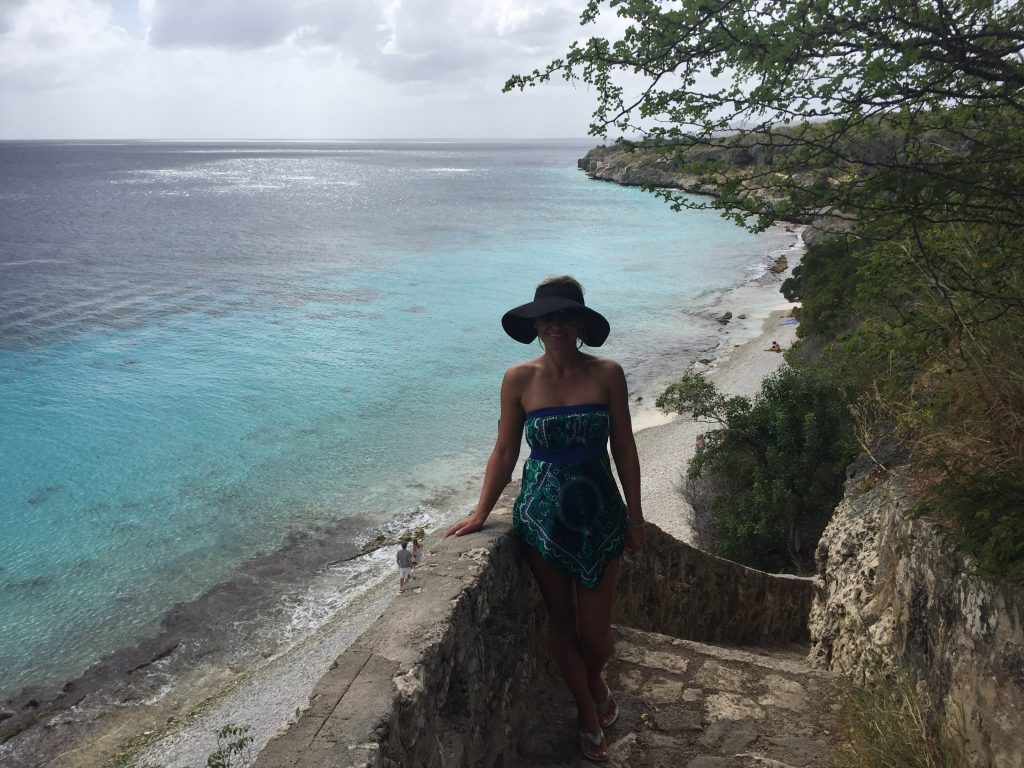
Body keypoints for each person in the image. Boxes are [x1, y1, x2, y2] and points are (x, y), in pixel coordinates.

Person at [445, 276, 644, 762]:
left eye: (566, 315)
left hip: (602, 514)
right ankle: (587, 710)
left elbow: (624, 446)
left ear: (581, 322)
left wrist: (636, 517)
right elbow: (505, 450)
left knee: (596, 635)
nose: (556, 324)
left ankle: (594, 680)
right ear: (535, 325)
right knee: (561, 620)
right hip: (542, 517)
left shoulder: (608, 373)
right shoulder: (519, 379)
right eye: (547, 316)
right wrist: (481, 512)